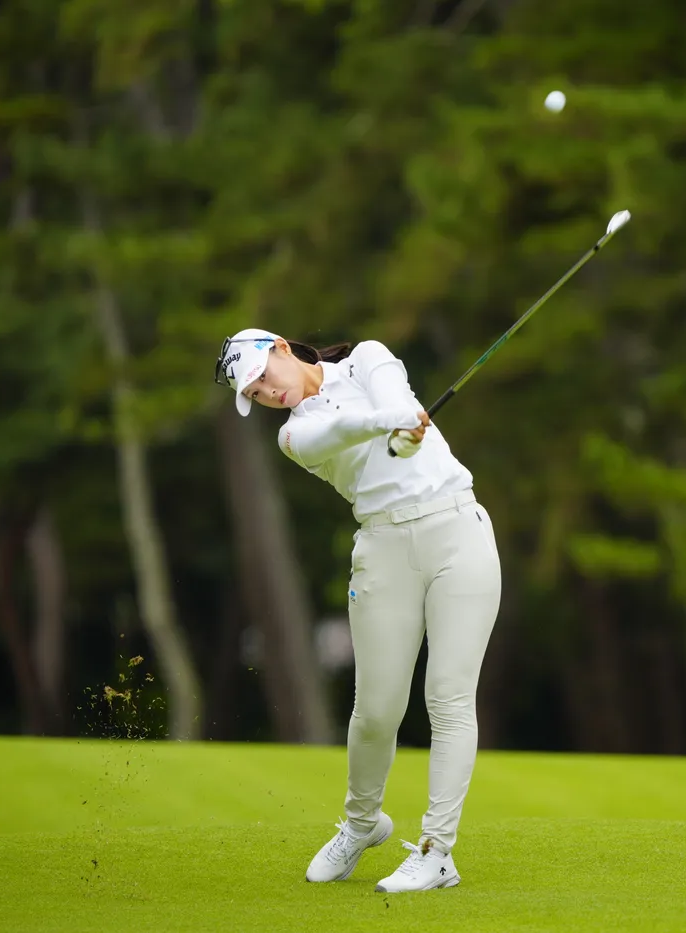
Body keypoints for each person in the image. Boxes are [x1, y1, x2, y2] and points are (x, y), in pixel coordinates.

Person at [214, 327, 501, 893]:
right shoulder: (293, 436)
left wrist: (406, 430)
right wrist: (392, 424)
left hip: (458, 532)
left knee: (448, 698)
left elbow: (394, 401)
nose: (267, 393)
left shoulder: (368, 357)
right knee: (375, 711)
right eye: (254, 394)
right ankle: (362, 824)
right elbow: (342, 430)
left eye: (263, 377)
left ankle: (437, 851)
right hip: (383, 548)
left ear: (281, 348)